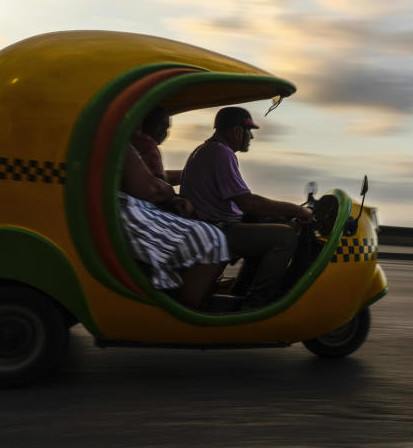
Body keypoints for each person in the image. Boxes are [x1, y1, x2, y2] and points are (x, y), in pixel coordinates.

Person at [180, 107, 313, 309]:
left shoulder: (207, 150)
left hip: (209, 228)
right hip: (216, 230)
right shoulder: (221, 154)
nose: (251, 137)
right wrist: (297, 210)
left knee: (267, 226)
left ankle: (243, 291)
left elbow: (240, 202)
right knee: (285, 237)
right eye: (248, 131)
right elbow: (248, 203)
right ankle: (258, 305)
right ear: (236, 131)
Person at [119, 122, 228, 311]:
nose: (165, 132)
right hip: (124, 211)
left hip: (124, 207)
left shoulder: (127, 142)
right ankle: (184, 313)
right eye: (161, 125)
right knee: (211, 237)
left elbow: (155, 179)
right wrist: (171, 195)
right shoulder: (126, 142)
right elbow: (151, 188)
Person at [130, 106, 183, 184]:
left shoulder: (131, 143)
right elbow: (158, 183)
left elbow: (158, 175)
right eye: (160, 126)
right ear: (145, 122)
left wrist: (188, 174)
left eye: (166, 128)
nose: (164, 133)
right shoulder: (148, 146)